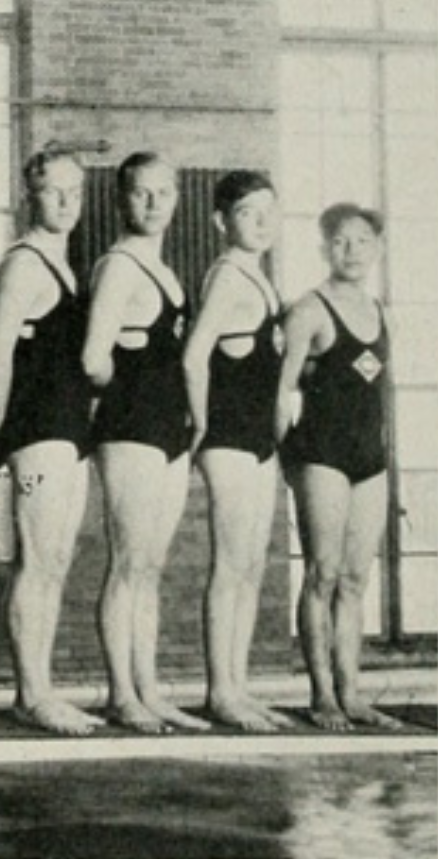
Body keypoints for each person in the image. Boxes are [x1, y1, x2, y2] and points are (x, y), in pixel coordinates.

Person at [82, 151, 209, 733]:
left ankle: (149, 690)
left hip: (167, 429)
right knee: (128, 561)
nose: (154, 203)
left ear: (177, 201)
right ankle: (120, 693)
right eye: (141, 193)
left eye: (164, 193)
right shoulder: (118, 267)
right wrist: (127, 389)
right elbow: (91, 359)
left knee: (151, 565)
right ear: (120, 200)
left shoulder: (164, 269)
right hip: (130, 426)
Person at [0, 147, 106, 736]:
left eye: (74, 192)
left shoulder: (64, 264)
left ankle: (41, 688)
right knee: (37, 559)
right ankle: (31, 693)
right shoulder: (25, 263)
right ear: (29, 195)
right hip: (35, 440)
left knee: (55, 559)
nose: (65, 202)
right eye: (53, 191)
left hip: (67, 433)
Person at [278, 203, 402, 732]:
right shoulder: (309, 308)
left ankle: (352, 692)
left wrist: (389, 457)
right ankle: (322, 695)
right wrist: (287, 458)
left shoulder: (381, 311)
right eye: (340, 242)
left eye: (361, 242)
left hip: (369, 461)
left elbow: (385, 391)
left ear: (377, 249)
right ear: (323, 248)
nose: (350, 252)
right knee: (322, 574)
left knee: (355, 579)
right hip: (321, 455)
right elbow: (281, 391)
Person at [181, 171, 296, 732]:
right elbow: (194, 353)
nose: (262, 222)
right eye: (249, 212)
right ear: (221, 221)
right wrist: (200, 421)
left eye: (269, 211)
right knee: (230, 567)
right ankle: (221, 692)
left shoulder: (259, 277)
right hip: (227, 437)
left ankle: (239, 687)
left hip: (256, 440)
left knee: (251, 566)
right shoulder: (227, 275)